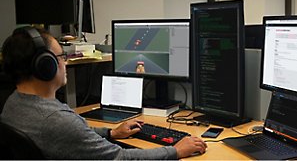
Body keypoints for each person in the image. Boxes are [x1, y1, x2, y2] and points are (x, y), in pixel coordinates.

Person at [0, 26, 207, 159]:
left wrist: (111, 133)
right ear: (45, 66)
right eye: (61, 57)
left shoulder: (13, 103)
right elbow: (120, 158)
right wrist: (176, 151)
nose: (64, 63)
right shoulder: (56, 120)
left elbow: (73, 136)